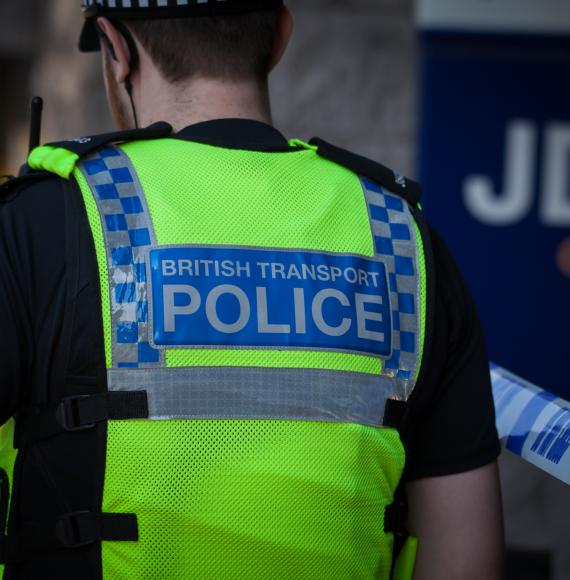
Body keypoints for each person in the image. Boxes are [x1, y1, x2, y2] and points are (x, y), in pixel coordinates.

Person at [0, 1, 504, 578]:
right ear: (280, 37)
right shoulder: (402, 240)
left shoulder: (39, 224)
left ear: (116, 50)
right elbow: (466, 556)